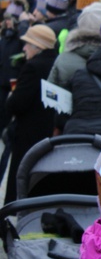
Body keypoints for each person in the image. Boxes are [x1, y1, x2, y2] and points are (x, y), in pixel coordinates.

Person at [4, 25, 58, 205]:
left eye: (28, 44)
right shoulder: (56, 62)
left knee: (22, 177)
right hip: (50, 130)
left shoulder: (33, 67)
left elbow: (18, 103)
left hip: (28, 131)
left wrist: (11, 97)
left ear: (38, 46)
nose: (24, 48)